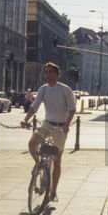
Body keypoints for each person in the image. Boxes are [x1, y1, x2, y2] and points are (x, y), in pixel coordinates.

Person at [22, 62, 75, 201]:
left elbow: (72, 109)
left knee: (57, 161)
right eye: (46, 72)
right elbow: (34, 106)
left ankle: (53, 191)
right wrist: (25, 119)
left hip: (60, 127)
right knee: (32, 143)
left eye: (51, 72)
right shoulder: (43, 89)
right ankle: (38, 164)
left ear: (57, 74)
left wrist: (67, 125)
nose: (48, 74)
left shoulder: (65, 89)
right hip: (47, 124)